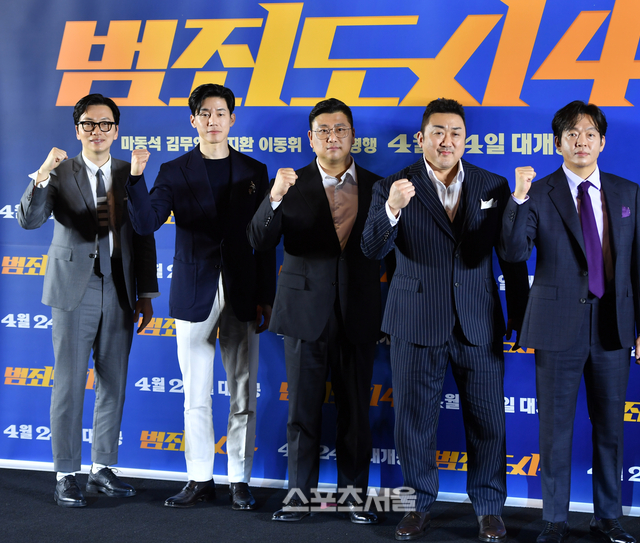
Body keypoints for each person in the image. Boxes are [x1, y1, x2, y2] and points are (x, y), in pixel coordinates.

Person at [361, 98, 529, 542]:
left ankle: (489, 508)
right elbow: (372, 249)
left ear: (465, 139)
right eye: (437, 132)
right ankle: (417, 505)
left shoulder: (493, 185)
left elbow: (510, 255)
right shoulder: (392, 185)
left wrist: (520, 312)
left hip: (478, 320)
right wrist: (391, 209)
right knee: (414, 421)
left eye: (455, 132)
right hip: (416, 319)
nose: (446, 140)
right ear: (421, 138)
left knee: (488, 421)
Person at [500, 101, 640, 543]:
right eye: (571, 134)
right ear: (558, 144)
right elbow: (513, 252)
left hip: (613, 328)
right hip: (557, 328)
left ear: (602, 142)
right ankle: (554, 519)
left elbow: (639, 266)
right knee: (554, 431)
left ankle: (608, 517)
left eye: (589, 134)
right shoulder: (539, 192)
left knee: (610, 429)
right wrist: (517, 199)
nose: (581, 142)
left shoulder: (627, 192)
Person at [125, 83, 275, 510]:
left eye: (220, 113)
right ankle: (199, 478)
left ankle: (239, 480)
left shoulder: (254, 170)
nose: (213, 120)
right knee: (196, 394)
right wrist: (135, 178)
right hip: (194, 289)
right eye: (205, 113)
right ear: (193, 120)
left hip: (243, 289)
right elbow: (146, 223)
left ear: (232, 119)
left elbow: (265, 239)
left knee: (243, 391)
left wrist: (266, 294)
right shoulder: (174, 170)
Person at [17, 93, 159, 507]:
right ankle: (66, 473)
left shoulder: (129, 172)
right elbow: (28, 220)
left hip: (119, 287)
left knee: (114, 381)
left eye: (105, 124)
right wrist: (42, 174)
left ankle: (102, 468)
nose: (97, 131)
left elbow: (143, 233)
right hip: (73, 288)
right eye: (89, 124)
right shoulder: (60, 172)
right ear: (77, 130)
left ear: (117, 129)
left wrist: (146, 294)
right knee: (69, 384)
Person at [247, 98, 382, 524]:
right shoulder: (289, 183)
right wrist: (273, 198)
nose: (332, 137)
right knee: (301, 412)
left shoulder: (380, 187)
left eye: (340, 129)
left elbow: (393, 254)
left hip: (359, 311)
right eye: (324, 130)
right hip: (305, 311)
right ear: (311, 138)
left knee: (355, 412)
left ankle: (354, 498)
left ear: (353, 135)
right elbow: (259, 241)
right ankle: (297, 498)